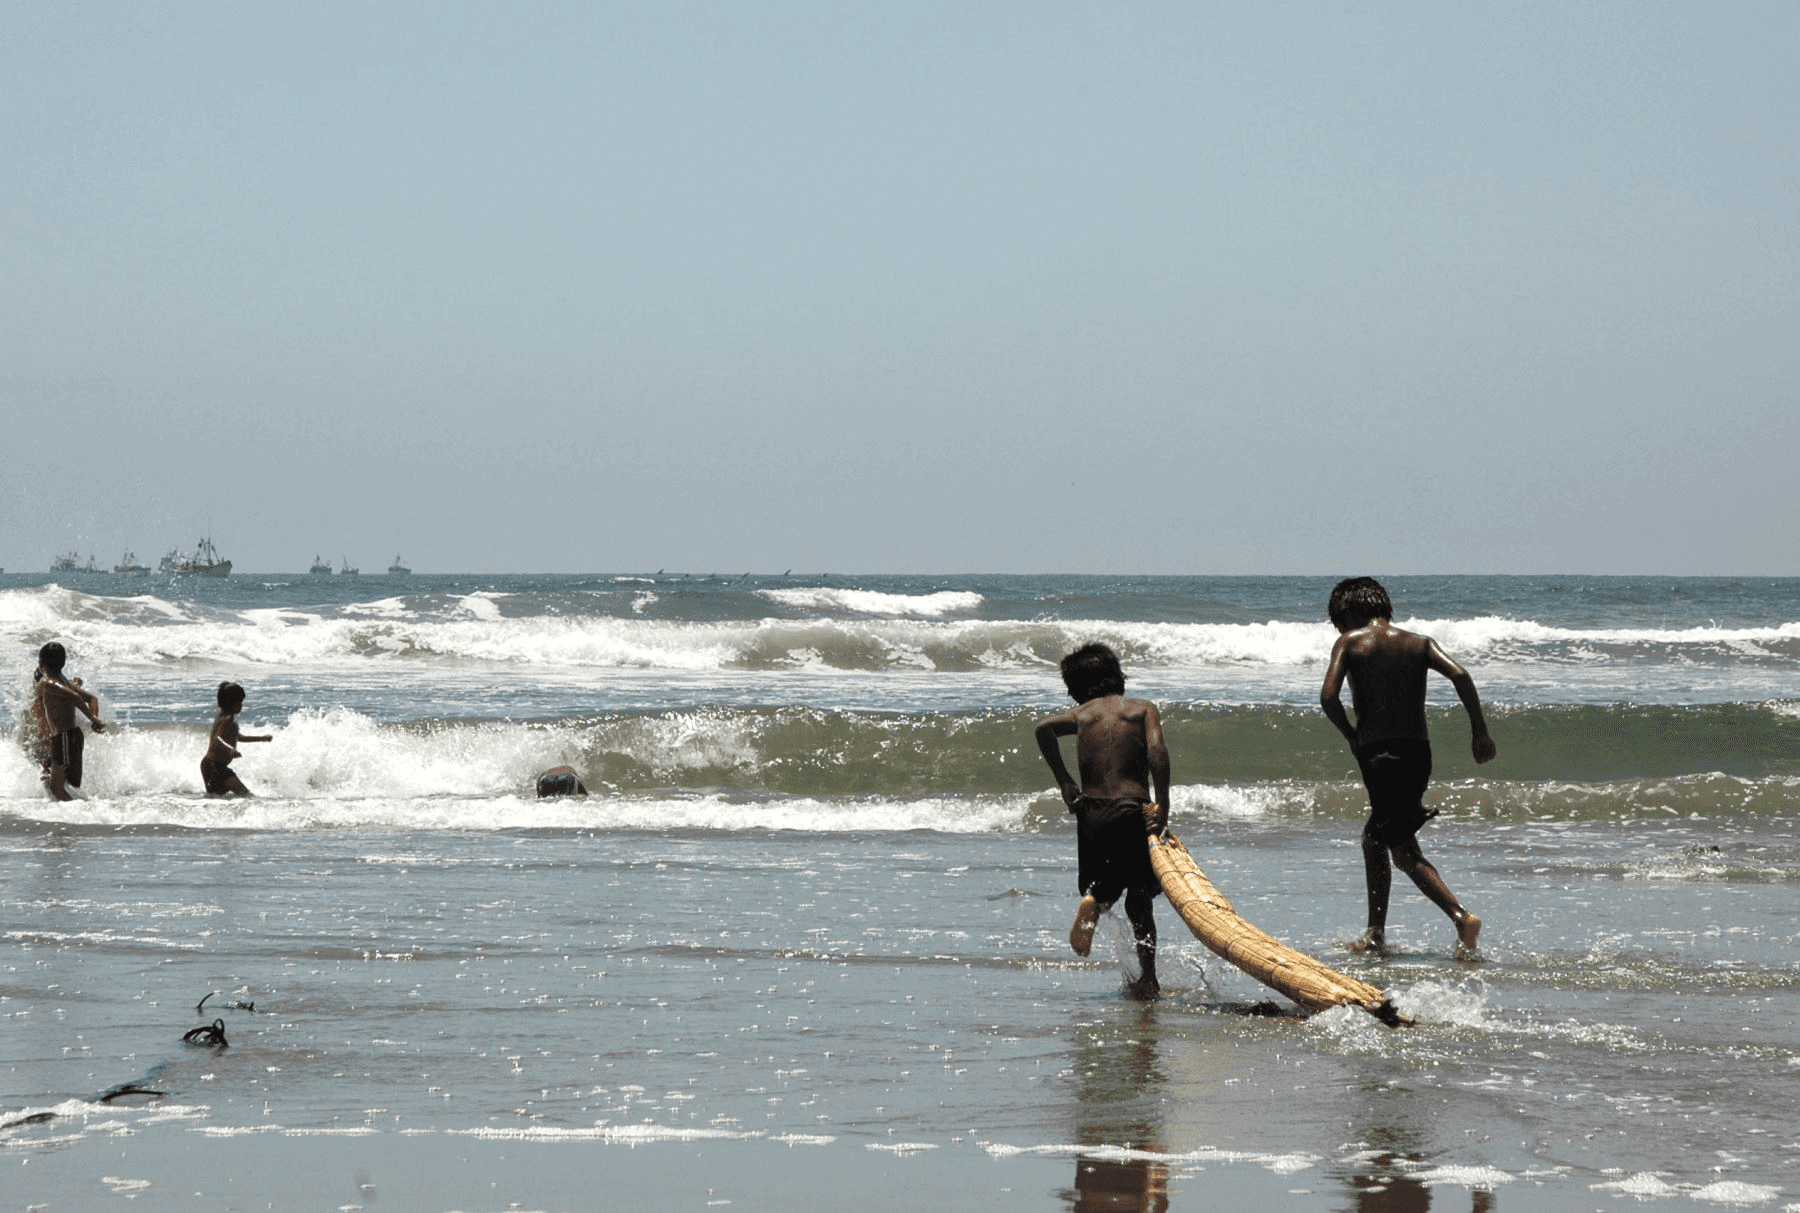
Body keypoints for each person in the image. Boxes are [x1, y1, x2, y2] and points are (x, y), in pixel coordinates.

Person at [1319, 577, 1495, 958]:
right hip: (1419, 754)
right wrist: (1479, 732)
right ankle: (1375, 936)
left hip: (1379, 757)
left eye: (1340, 622)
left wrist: (1351, 735)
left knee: (1402, 851)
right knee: (1374, 838)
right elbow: (1461, 675)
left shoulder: (1350, 642)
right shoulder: (1419, 642)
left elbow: (1328, 697)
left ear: (1350, 612)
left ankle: (1461, 916)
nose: (1341, 630)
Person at [1035, 642, 1170, 999]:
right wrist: (1162, 803)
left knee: (1101, 883)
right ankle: (1148, 978)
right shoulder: (1141, 710)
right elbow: (1157, 752)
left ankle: (1094, 901)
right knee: (1140, 897)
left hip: (1091, 813)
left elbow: (1043, 729)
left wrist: (1065, 781)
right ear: (1118, 676)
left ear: (1077, 689)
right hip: (1131, 808)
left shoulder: (1081, 716)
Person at [34, 642, 106, 801]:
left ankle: (81, 814)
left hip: (65, 737)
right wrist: (95, 718)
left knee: (56, 787)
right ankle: (67, 810)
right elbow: (92, 699)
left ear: (41, 663)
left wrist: (92, 718)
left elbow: (74, 697)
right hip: (67, 738)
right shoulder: (62, 682)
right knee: (47, 775)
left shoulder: (49, 684)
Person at [202, 682, 272, 797]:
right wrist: (231, 749)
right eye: (239, 703)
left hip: (209, 765)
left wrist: (261, 738)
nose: (241, 706)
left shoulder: (222, 717)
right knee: (245, 794)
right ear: (230, 703)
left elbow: (239, 737)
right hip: (215, 766)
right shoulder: (227, 719)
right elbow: (217, 738)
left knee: (218, 798)